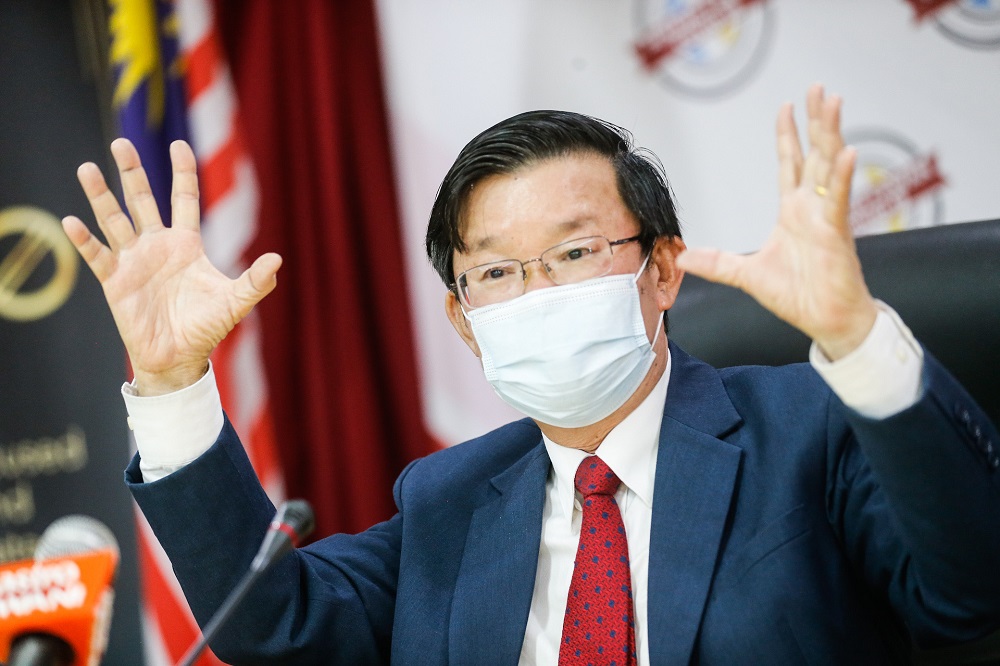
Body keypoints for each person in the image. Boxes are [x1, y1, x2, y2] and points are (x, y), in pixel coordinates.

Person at [62, 85, 1000, 664]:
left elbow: (970, 591)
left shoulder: (807, 426)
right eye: (497, 272)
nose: (536, 289)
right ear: (464, 321)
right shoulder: (449, 502)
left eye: (574, 251)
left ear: (662, 269)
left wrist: (856, 336)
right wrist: (176, 381)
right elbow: (271, 624)